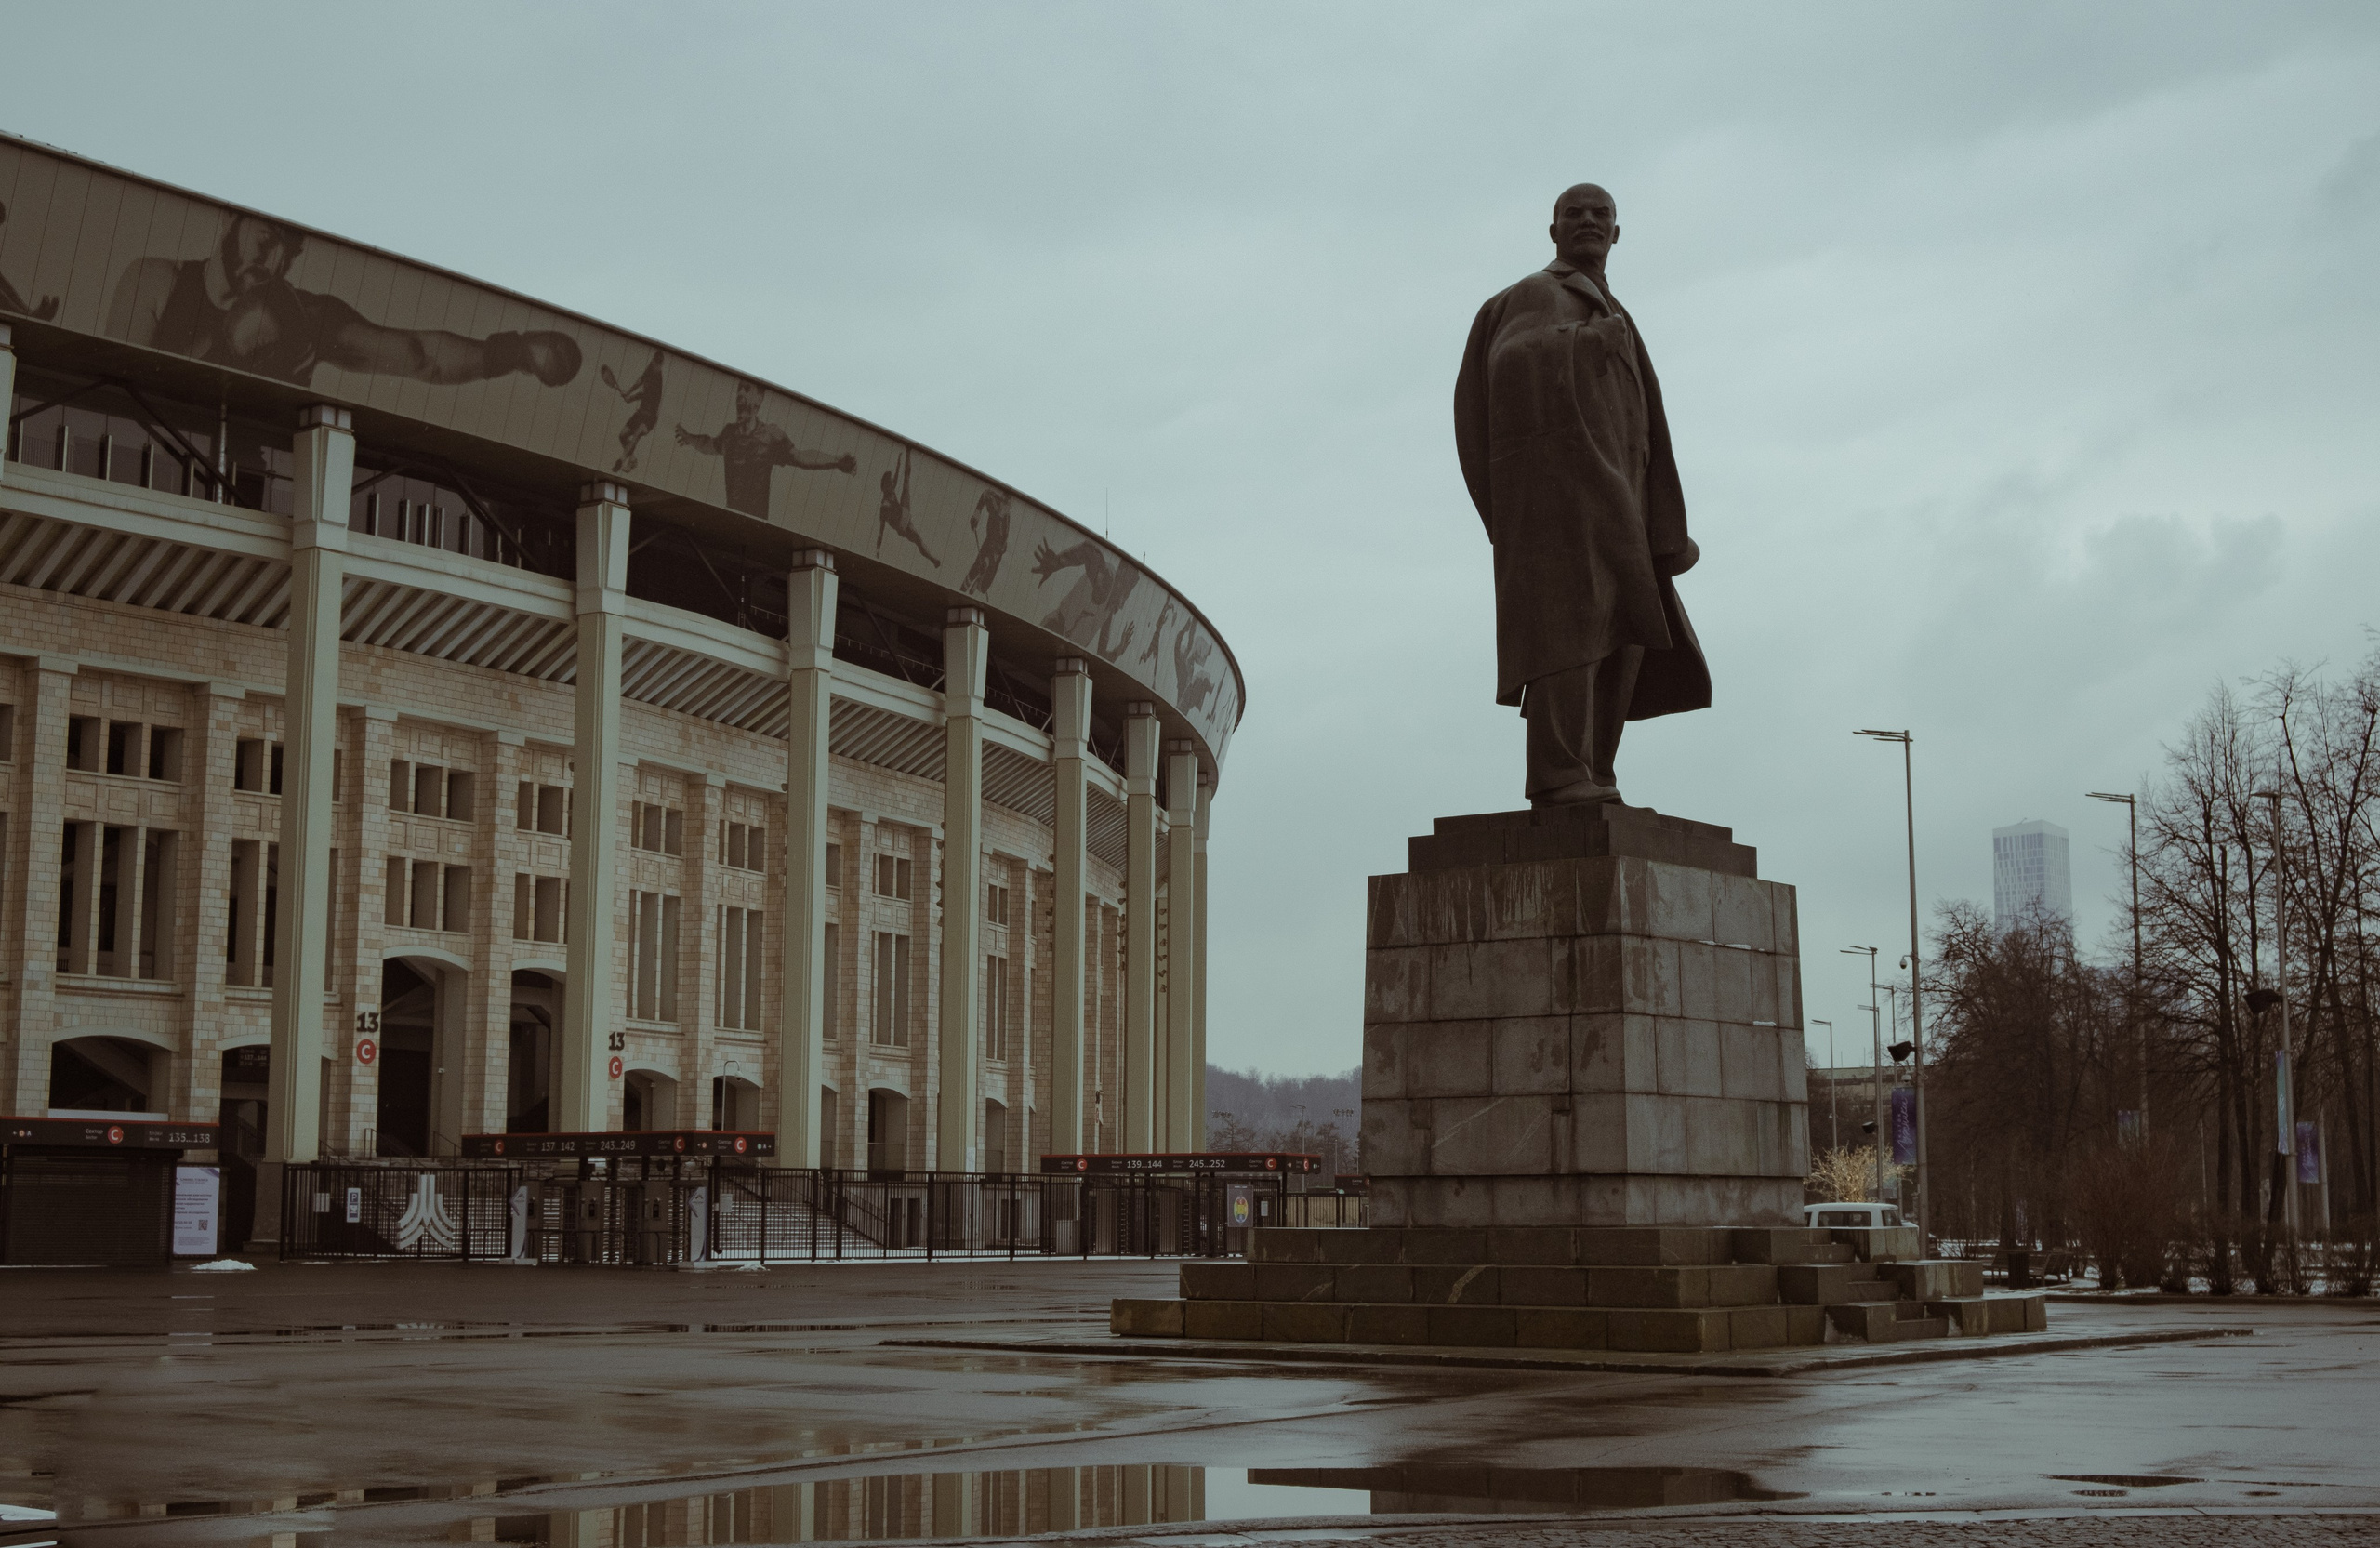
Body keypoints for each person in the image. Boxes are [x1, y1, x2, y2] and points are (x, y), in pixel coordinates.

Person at [1452, 182, 1709, 807]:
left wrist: (1659, 517)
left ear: (1617, 233)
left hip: (1621, 497)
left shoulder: (1609, 305)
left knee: (1623, 636)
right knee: (1571, 627)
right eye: (1576, 213)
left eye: (1602, 214)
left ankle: (1596, 770)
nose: (1589, 220)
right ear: (1554, 231)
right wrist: (1581, 344)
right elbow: (1508, 363)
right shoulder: (1540, 293)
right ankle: (1558, 773)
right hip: (1567, 501)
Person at [106, 213, 581, 390]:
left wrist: (511, 353)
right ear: (232, 222)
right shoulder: (157, 283)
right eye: (265, 240)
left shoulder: (309, 319)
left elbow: (420, 358)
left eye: (286, 256)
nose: (271, 263)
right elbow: (115, 389)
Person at [676, 379, 855, 519]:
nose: (740, 393)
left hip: (758, 520)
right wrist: (688, 437)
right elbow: (708, 445)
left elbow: (801, 457)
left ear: (759, 400)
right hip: (732, 515)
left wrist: (836, 460)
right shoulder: (729, 433)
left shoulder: (771, 435)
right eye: (739, 389)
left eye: (747, 389)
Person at [873, 445, 941, 565]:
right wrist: (878, 548)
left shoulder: (891, 490)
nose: (892, 484)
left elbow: (899, 476)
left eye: (891, 482)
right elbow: (881, 531)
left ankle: (909, 452)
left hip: (903, 510)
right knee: (918, 539)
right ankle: (932, 559)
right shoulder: (884, 506)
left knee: (906, 481)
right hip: (901, 524)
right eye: (889, 483)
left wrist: (900, 462)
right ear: (884, 487)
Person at [602, 349, 666, 472]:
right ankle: (633, 459)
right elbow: (640, 380)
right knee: (622, 436)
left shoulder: (658, 379)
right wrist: (628, 391)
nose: (655, 365)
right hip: (640, 412)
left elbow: (644, 395)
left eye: (658, 364)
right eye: (654, 362)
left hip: (650, 418)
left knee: (637, 435)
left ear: (661, 365)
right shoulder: (651, 368)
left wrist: (630, 398)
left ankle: (621, 460)